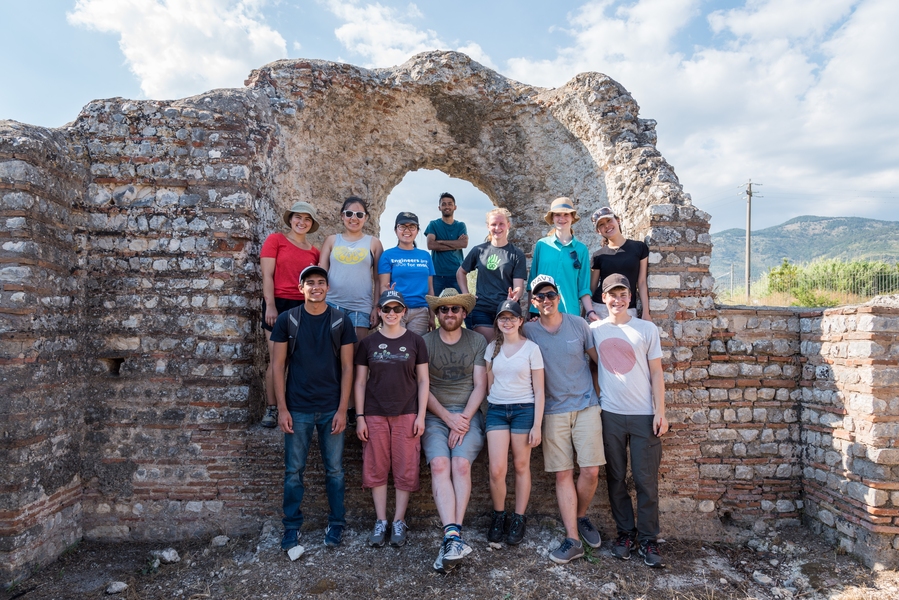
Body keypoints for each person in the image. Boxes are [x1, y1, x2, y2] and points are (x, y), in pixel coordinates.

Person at [269, 265, 357, 551]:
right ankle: (291, 527)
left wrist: (343, 410)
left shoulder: (341, 321)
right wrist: (282, 409)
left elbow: (348, 367)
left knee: (335, 471)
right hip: (298, 407)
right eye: (310, 283)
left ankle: (337, 522)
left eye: (321, 282)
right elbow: (277, 366)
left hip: (331, 408)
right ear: (301, 288)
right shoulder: (288, 320)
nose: (316, 287)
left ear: (328, 288)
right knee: (293, 471)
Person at [523, 275, 604, 565]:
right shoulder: (529, 331)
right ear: (533, 302)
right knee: (563, 474)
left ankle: (580, 516)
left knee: (591, 471)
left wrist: (601, 396)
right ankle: (573, 539)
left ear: (558, 296)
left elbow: (598, 361)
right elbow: (503, 335)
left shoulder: (579, 324)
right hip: (553, 410)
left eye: (550, 294)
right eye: (540, 296)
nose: (546, 300)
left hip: (585, 405)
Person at [590, 273, 669, 568]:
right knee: (615, 477)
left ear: (630, 297)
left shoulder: (646, 329)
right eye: (612, 295)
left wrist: (660, 411)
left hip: (643, 415)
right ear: (604, 298)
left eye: (623, 294)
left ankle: (648, 539)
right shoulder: (595, 330)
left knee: (645, 479)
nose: (618, 300)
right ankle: (625, 534)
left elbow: (657, 372)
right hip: (610, 414)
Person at [354, 290, 429, 548]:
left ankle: (398, 520)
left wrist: (421, 415)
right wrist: (360, 417)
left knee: (406, 466)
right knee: (376, 466)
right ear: (379, 311)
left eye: (397, 309)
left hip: (407, 412)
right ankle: (381, 520)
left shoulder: (416, 342)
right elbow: (360, 382)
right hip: (374, 412)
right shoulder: (368, 344)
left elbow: (423, 380)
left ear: (404, 312)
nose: (392, 313)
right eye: (387, 309)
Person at [422, 288, 487, 573]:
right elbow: (422, 387)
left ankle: (452, 536)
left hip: (468, 413)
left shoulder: (477, 341)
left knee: (460, 465)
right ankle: (453, 537)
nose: (449, 313)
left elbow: (481, 385)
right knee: (439, 464)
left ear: (464, 313)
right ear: (437, 314)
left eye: (455, 309)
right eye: (443, 309)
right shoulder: (425, 343)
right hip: (436, 415)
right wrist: (448, 418)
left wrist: (463, 419)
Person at [483, 300, 544, 546]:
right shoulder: (491, 349)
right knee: (497, 469)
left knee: (521, 465)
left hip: (524, 410)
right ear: (497, 322)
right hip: (497, 410)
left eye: (512, 318)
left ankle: (519, 518)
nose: (507, 322)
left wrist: (537, 425)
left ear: (520, 321)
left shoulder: (531, 349)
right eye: (503, 318)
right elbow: (489, 385)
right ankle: (499, 516)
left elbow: (540, 390)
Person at [260, 201, 321, 428]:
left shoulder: (315, 252)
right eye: (298, 217)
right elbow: (267, 275)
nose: (302, 222)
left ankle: (297, 407)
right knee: (277, 359)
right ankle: (272, 408)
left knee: (301, 360)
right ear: (290, 219)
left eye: (307, 219)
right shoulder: (276, 240)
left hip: (303, 307)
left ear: (312, 224)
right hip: (277, 303)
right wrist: (270, 305)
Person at [456, 208, 527, 342]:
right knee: (489, 348)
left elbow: (518, 286)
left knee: (505, 349)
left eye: (501, 224)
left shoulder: (517, 254)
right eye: (494, 224)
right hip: (482, 309)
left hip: (506, 310)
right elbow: (461, 272)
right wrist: (466, 294)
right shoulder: (479, 250)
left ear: (508, 225)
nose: (497, 228)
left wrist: (515, 295)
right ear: (488, 226)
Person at [320, 196, 384, 344]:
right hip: (331, 304)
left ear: (365, 218)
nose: (354, 218)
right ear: (342, 216)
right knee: (329, 351)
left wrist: (376, 307)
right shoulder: (331, 240)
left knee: (356, 353)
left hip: (360, 307)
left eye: (359, 214)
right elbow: (321, 275)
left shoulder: (374, 243)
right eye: (349, 213)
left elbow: (378, 279)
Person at [527, 197, 592, 318]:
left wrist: (590, 312)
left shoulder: (581, 249)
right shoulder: (542, 245)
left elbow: (584, 287)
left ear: (572, 217)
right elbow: (532, 282)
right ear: (552, 218)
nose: (562, 218)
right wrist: (530, 311)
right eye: (557, 215)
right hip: (541, 311)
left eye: (566, 214)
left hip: (569, 312)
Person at [379, 212, 436, 335]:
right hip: (395, 310)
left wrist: (432, 316)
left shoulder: (425, 256)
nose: (407, 230)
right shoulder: (387, 255)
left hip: (420, 312)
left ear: (417, 231)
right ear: (395, 230)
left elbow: (430, 289)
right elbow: (383, 286)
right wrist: (388, 302)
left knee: (416, 345)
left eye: (412, 227)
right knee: (395, 345)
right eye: (402, 226)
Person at [589, 207, 650, 321]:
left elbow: (641, 282)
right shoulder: (598, 256)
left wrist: (646, 312)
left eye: (609, 220)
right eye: (601, 224)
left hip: (627, 307)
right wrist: (587, 312)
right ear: (598, 231)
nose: (607, 226)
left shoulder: (639, 248)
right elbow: (592, 287)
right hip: (601, 309)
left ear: (618, 220)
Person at [425, 192, 469, 296]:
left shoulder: (460, 225)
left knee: (461, 303)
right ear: (439, 207)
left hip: (456, 273)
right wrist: (455, 244)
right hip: (437, 274)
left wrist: (441, 241)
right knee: (433, 302)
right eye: (443, 204)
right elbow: (431, 245)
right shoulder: (433, 224)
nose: (447, 206)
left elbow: (463, 244)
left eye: (450, 204)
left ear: (455, 207)